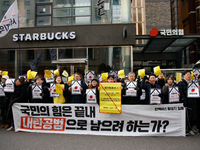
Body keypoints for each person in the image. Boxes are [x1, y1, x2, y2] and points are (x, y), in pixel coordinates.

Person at [178, 70, 199, 135]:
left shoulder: (193, 83)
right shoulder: (181, 83)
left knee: (193, 116)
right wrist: (184, 99)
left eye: (190, 74)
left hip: (193, 101)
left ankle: (191, 129)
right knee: (186, 116)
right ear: (184, 76)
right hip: (186, 101)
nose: (189, 76)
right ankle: (186, 129)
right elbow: (181, 92)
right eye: (187, 74)